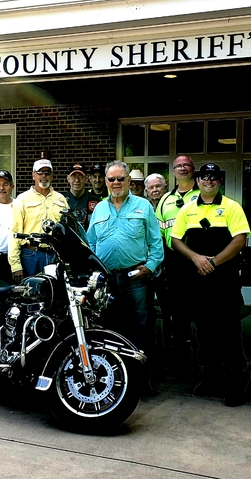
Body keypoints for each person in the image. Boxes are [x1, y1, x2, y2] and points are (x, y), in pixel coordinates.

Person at [170, 163, 251, 407]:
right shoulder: (187, 209)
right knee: (204, 333)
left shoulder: (232, 207)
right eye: (204, 177)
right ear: (198, 181)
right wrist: (196, 258)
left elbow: (239, 240)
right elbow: (175, 240)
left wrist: (213, 262)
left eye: (213, 177)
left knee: (229, 334)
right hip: (198, 282)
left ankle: (235, 386)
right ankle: (210, 380)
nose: (209, 181)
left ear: (220, 182)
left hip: (225, 281)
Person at [86, 160, 163, 350]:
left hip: (135, 277)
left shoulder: (143, 206)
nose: (116, 183)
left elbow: (156, 241)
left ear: (128, 180)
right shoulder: (99, 208)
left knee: (139, 323)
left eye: (120, 179)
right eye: (112, 179)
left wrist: (150, 266)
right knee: (107, 324)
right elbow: (91, 243)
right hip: (106, 279)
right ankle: (114, 363)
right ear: (106, 181)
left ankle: (140, 363)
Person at [155, 156, 200, 375]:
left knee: (201, 315)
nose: (182, 169)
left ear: (193, 169)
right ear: (173, 171)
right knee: (176, 316)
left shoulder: (204, 194)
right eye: (178, 166)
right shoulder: (166, 199)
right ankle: (179, 363)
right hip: (173, 263)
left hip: (199, 261)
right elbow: (158, 232)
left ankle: (204, 363)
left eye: (186, 165)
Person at [8, 158, 69, 283]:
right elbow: (14, 232)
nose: (44, 175)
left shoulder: (61, 199)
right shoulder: (22, 199)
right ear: (33, 175)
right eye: (40, 172)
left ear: (52, 176)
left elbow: (68, 229)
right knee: (31, 290)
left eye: (47, 172)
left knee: (56, 291)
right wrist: (15, 265)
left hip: (56, 255)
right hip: (31, 256)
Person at [64, 163, 101, 230]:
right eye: (74, 176)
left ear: (86, 179)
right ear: (68, 178)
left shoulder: (96, 201)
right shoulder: (61, 200)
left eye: (80, 177)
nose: (77, 180)